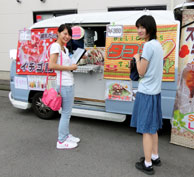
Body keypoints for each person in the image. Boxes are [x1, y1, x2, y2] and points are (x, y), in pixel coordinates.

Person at [129, 15, 163, 175]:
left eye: (142, 27)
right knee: (153, 127)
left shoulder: (148, 46)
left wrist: (137, 58)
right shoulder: (158, 45)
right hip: (155, 92)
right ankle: (155, 156)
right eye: (138, 27)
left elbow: (141, 72)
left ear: (150, 28)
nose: (140, 30)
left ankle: (148, 164)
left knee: (146, 130)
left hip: (146, 93)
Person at [49, 24, 80, 149]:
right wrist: (70, 67)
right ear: (58, 33)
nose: (67, 37)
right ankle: (61, 141)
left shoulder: (65, 49)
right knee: (66, 113)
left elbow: (65, 64)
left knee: (67, 113)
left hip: (68, 83)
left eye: (69, 34)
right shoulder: (55, 46)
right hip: (64, 84)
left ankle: (66, 135)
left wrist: (74, 64)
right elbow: (51, 65)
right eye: (65, 33)